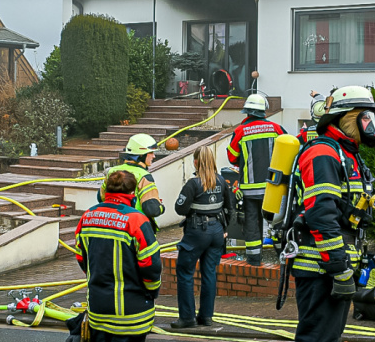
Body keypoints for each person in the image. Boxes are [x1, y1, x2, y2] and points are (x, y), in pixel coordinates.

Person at [277, 86, 375, 342]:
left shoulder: (347, 154)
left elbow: (348, 216)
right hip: (321, 269)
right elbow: (323, 214)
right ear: (346, 118)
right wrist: (340, 267)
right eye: (366, 116)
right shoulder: (323, 152)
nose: (372, 123)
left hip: (336, 268)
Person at [75, 170, 162, 342]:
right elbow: (151, 266)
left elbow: (81, 256)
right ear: (132, 194)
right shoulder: (137, 220)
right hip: (130, 312)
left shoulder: (88, 216)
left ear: (106, 191)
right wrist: (151, 290)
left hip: (98, 309)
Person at [171, 146, 234, 329]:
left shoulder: (193, 184)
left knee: (185, 273)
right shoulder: (222, 182)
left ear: (196, 162)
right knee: (209, 274)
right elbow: (230, 208)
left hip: (196, 232)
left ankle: (187, 318)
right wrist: (224, 229)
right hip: (216, 232)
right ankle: (206, 317)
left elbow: (180, 209)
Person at [226, 93, 285, 265]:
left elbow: (232, 157)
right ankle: (283, 256)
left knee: (252, 221)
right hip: (273, 187)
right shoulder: (276, 128)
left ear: (247, 112)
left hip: (250, 189)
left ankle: (253, 259)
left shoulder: (240, 131)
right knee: (277, 222)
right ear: (264, 111)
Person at [99, 133, 165, 226]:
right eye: (151, 153)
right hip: (136, 226)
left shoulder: (113, 171)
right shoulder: (144, 176)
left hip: (113, 223)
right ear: (141, 155)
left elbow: (101, 197)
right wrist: (161, 207)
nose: (154, 156)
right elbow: (152, 210)